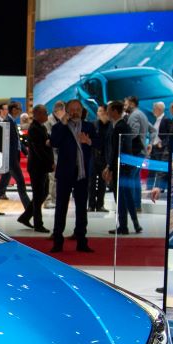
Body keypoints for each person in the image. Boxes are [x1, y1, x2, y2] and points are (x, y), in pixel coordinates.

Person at [48, 99, 97, 253]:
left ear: (82, 111)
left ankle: (81, 240)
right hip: (65, 173)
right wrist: (62, 124)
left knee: (82, 208)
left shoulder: (89, 127)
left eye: (78, 109)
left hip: (82, 173)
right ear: (67, 111)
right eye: (72, 109)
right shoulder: (59, 127)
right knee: (61, 207)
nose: (76, 112)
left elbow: (98, 143)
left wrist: (88, 141)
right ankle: (57, 240)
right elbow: (54, 142)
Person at [102, 100, 143, 235]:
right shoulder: (121, 125)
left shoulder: (119, 127)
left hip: (121, 166)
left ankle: (124, 226)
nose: (107, 112)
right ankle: (133, 225)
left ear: (114, 111)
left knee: (121, 197)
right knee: (126, 196)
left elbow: (116, 150)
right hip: (124, 165)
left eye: (108, 109)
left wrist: (109, 167)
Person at [0, 102, 32, 215]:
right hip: (11, 159)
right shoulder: (8, 122)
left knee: (2, 185)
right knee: (21, 183)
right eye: (19, 109)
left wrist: (25, 152)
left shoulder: (11, 121)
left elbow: (17, 141)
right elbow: (7, 142)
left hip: (11, 158)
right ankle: (30, 210)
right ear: (14, 109)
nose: (20, 111)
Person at [20, 104, 52, 232]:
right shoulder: (34, 129)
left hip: (41, 166)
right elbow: (39, 150)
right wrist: (50, 162)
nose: (46, 115)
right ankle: (38, 224)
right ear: (38, 114)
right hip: (37, 167)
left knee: (42, 193)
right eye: (45, 112)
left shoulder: (41, 127)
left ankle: (26, 216)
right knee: (39, 195)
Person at [146, 101, 170, 196]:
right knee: (152, 168)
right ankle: (150, 187)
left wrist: (162, 143)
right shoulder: (156, 120)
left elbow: (169, 135)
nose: (153, 111)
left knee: (161, 169)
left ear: (159, 109)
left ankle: (161, 187)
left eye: (154, 108)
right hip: (154, 148)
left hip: (161, 149)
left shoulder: (166, 120)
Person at [89, 104, 110, 212]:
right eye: (98, 111)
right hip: (93, 157)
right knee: (91, 182)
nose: (99, 113)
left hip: (104, 158)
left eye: (101, 111)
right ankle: (91, 205)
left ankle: (100, 204)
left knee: (103, 182)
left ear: (106, 112)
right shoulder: (94, 124)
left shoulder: (111, 126)